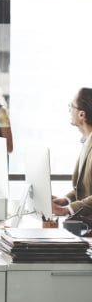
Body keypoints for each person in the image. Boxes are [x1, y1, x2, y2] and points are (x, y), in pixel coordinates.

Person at [52, 88, 92, 216]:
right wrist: (65, 200)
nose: (69, 110)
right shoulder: (86, 142)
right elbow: (85, 188)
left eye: (71, 106)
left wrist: (66, 210)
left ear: (82, 115)